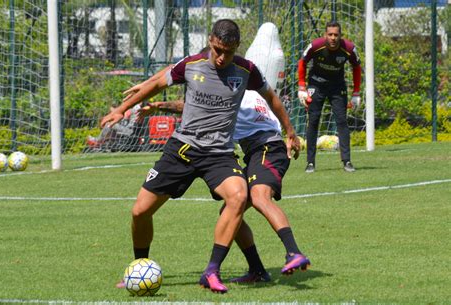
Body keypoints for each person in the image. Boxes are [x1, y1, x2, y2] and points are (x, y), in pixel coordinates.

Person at [102, 19, 299, 294]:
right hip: (182, 150)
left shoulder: (246, 70)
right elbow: (159, 81)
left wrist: (289, 131)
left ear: (236, 49)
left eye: (227, 52)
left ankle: (212, 271)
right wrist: (122, 109)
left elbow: (272, 98)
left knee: (239, 196)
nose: (221, 57)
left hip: (219, 154)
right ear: (210, 41)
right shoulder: (192, 64)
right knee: (140, 211)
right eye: (217, 50)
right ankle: (139, 265)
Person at [297, 21, 362, 173]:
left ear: (340, 36)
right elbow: (302, 62)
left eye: (336, 35)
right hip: (316, 85)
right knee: (313, 120)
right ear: (325, 35)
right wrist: (302, 86)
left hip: (337, 86)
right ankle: (310, 163)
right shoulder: (315, 45)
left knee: (341, 121)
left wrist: (356, 92)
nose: (333, 38)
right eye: (330, 34)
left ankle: (347, 161)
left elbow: (357, 67)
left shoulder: (350, 49)